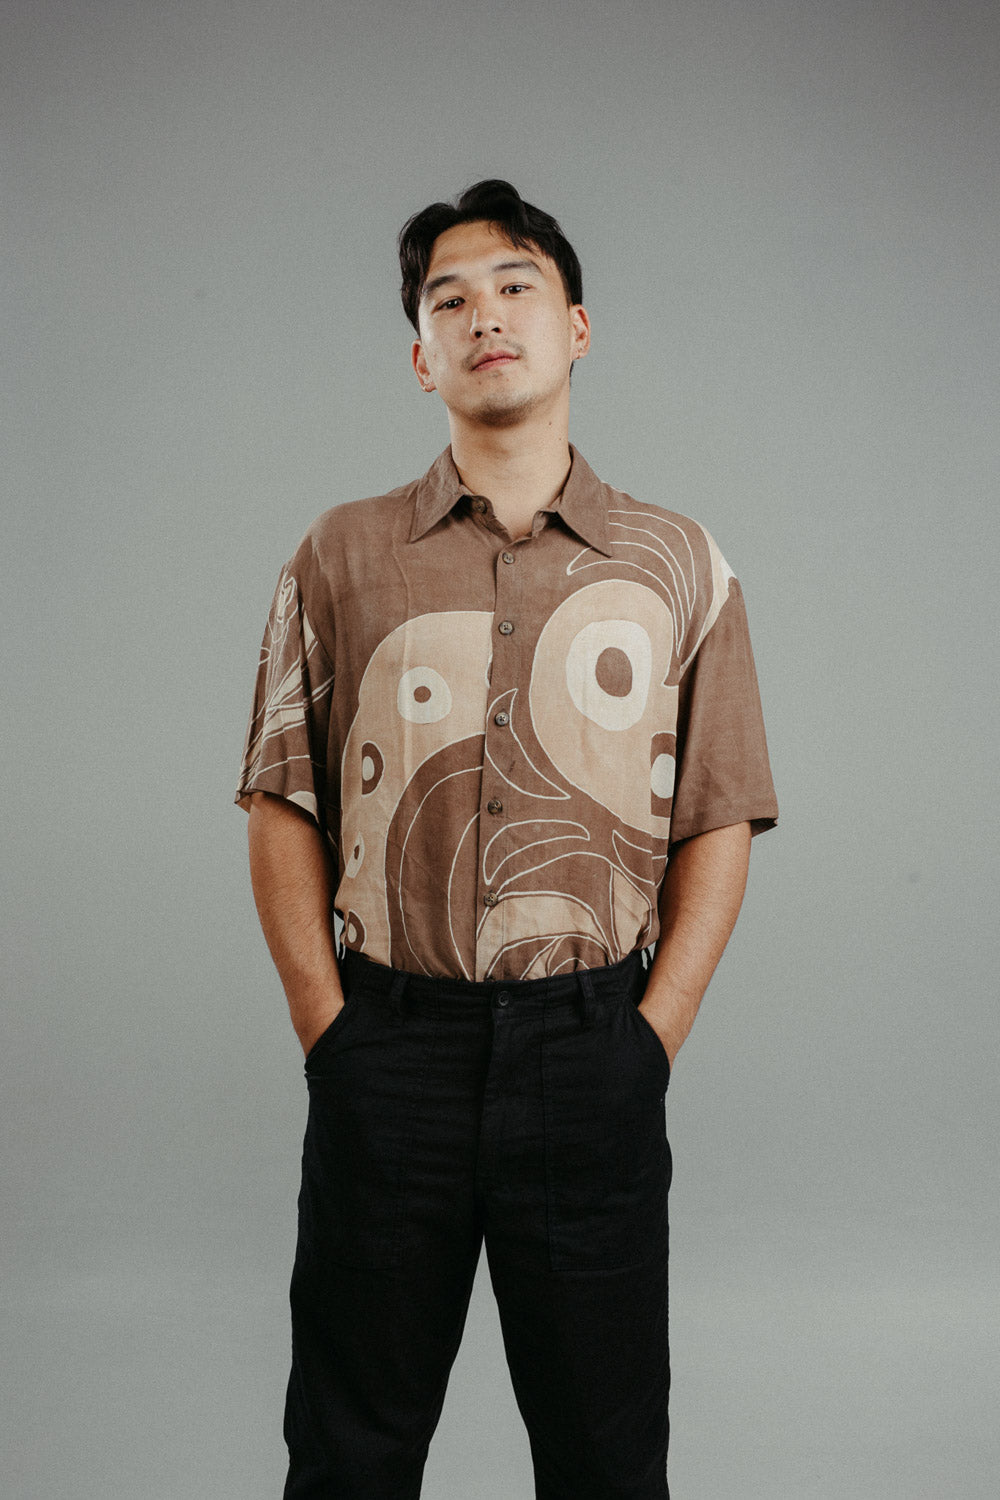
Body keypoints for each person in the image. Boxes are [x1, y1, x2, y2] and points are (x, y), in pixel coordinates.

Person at [236, 179, 777, 1500]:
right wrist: (329, 1026)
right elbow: (280, 796)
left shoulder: (677, 563)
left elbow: (719, 809)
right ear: (420, 357)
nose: (486, 316)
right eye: (449, 301)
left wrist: (652, 1036)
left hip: (590, 1058)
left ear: (578, 326)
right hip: (390, 1055)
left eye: (516, 286)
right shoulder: (339, 556)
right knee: (348, 1453)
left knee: (604, 1459)